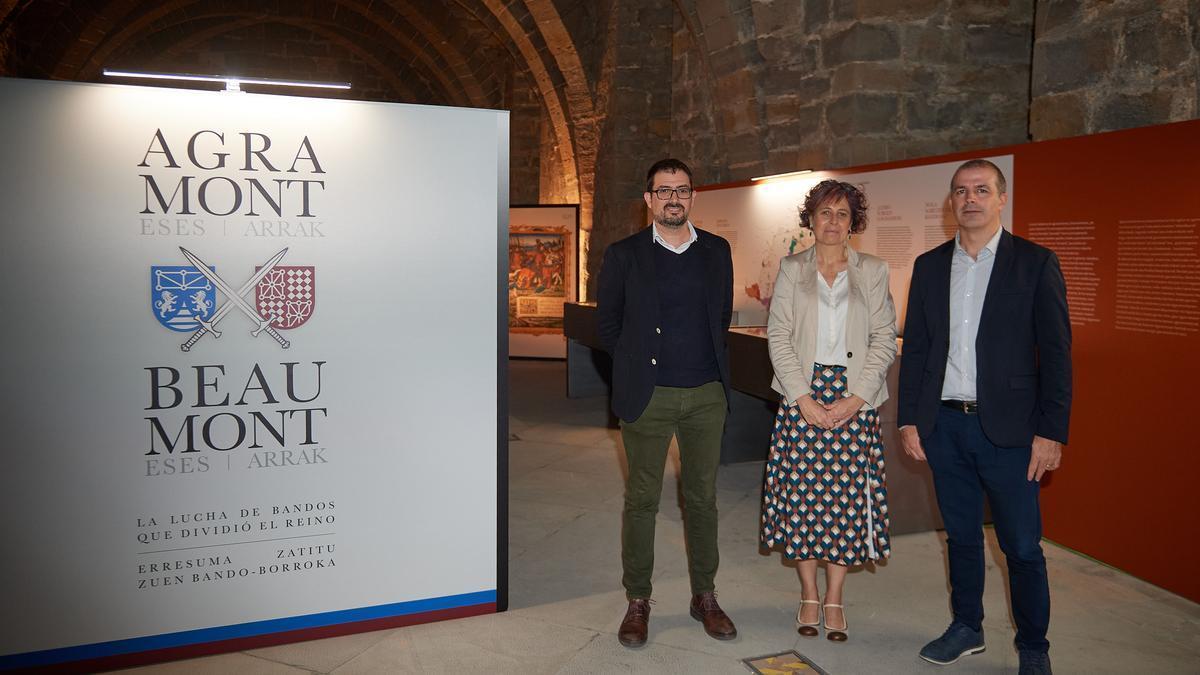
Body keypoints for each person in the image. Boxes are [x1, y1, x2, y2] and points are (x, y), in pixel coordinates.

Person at [897, 159, 1071, 675]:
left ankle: (1033, 645)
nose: (969, 199)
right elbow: (919, 351)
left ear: (1002, 198)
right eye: (959, 191)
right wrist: (910, 420)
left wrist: (1051, 432)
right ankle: (967, 626)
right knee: (963, 537)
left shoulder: (1035, 264)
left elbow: (1058, 355)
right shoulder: (929, 267)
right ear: (950, 203)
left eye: (980, 190)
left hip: (1013, 434)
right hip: (945, 426)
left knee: (1020, 545)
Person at [596, 158, 737, 648]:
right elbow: (607, 326)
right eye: (663, 191)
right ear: (649, 199)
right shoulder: (624, 255)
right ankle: (638, 600)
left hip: (705, 396)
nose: (673, 198)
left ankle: (705, 596)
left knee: (702, 499)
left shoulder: (717, 251)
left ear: (692, 196)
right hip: (648, 398)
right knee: (641, 500)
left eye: (682, 190)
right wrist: (636, 367)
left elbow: (721, 316)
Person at [761, 179, 897, 642]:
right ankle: (808, 594)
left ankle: (835, 597)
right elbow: (778, 335)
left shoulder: (874, 271)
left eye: (842, 213)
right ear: (811, 219)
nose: (833, 222)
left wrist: (857, 398)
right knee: (803, 499)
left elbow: (884, 338)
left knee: (842, 502)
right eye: (825, 212)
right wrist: (802, 397)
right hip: (803, 395)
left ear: (853, 222)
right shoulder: (791, 268)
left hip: (855, 397)